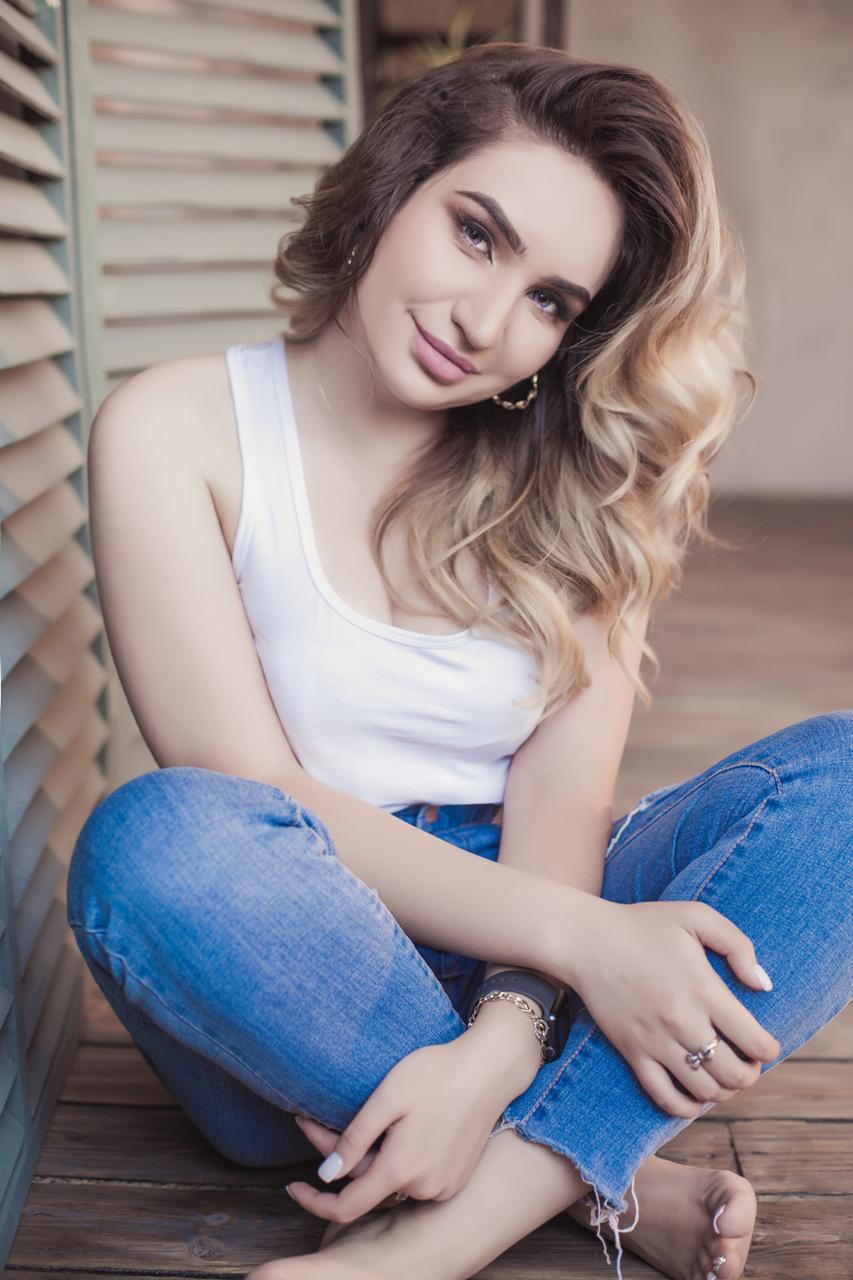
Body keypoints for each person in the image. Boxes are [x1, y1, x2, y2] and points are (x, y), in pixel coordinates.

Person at [67, 41, 852, 1280]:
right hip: (289, 953)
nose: (485, 323)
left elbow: (561, 805)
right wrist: (590, 949)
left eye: (550, 301)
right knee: (155, 841)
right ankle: (596, 1171)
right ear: (392, 184)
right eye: (476, 234)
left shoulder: (584, 477)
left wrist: (504, 1029)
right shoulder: (174, 430)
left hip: (531, 925)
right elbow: (254, 784)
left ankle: (451, 1225)